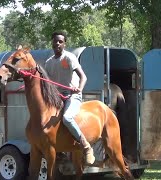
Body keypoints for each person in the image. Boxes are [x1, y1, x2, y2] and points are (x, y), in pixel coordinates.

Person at [44, 31, 95, 164]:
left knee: (67, 118)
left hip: (72, 96)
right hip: (57, 98)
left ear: (64, 44)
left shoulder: (69, 58)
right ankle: (59, 151)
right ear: (52, 43)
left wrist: (79, 88)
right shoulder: (48, 63)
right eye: (55, 41)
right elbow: (47, 83)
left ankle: (86, 146)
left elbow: (83, 77)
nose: (57, 43)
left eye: (60, 41)